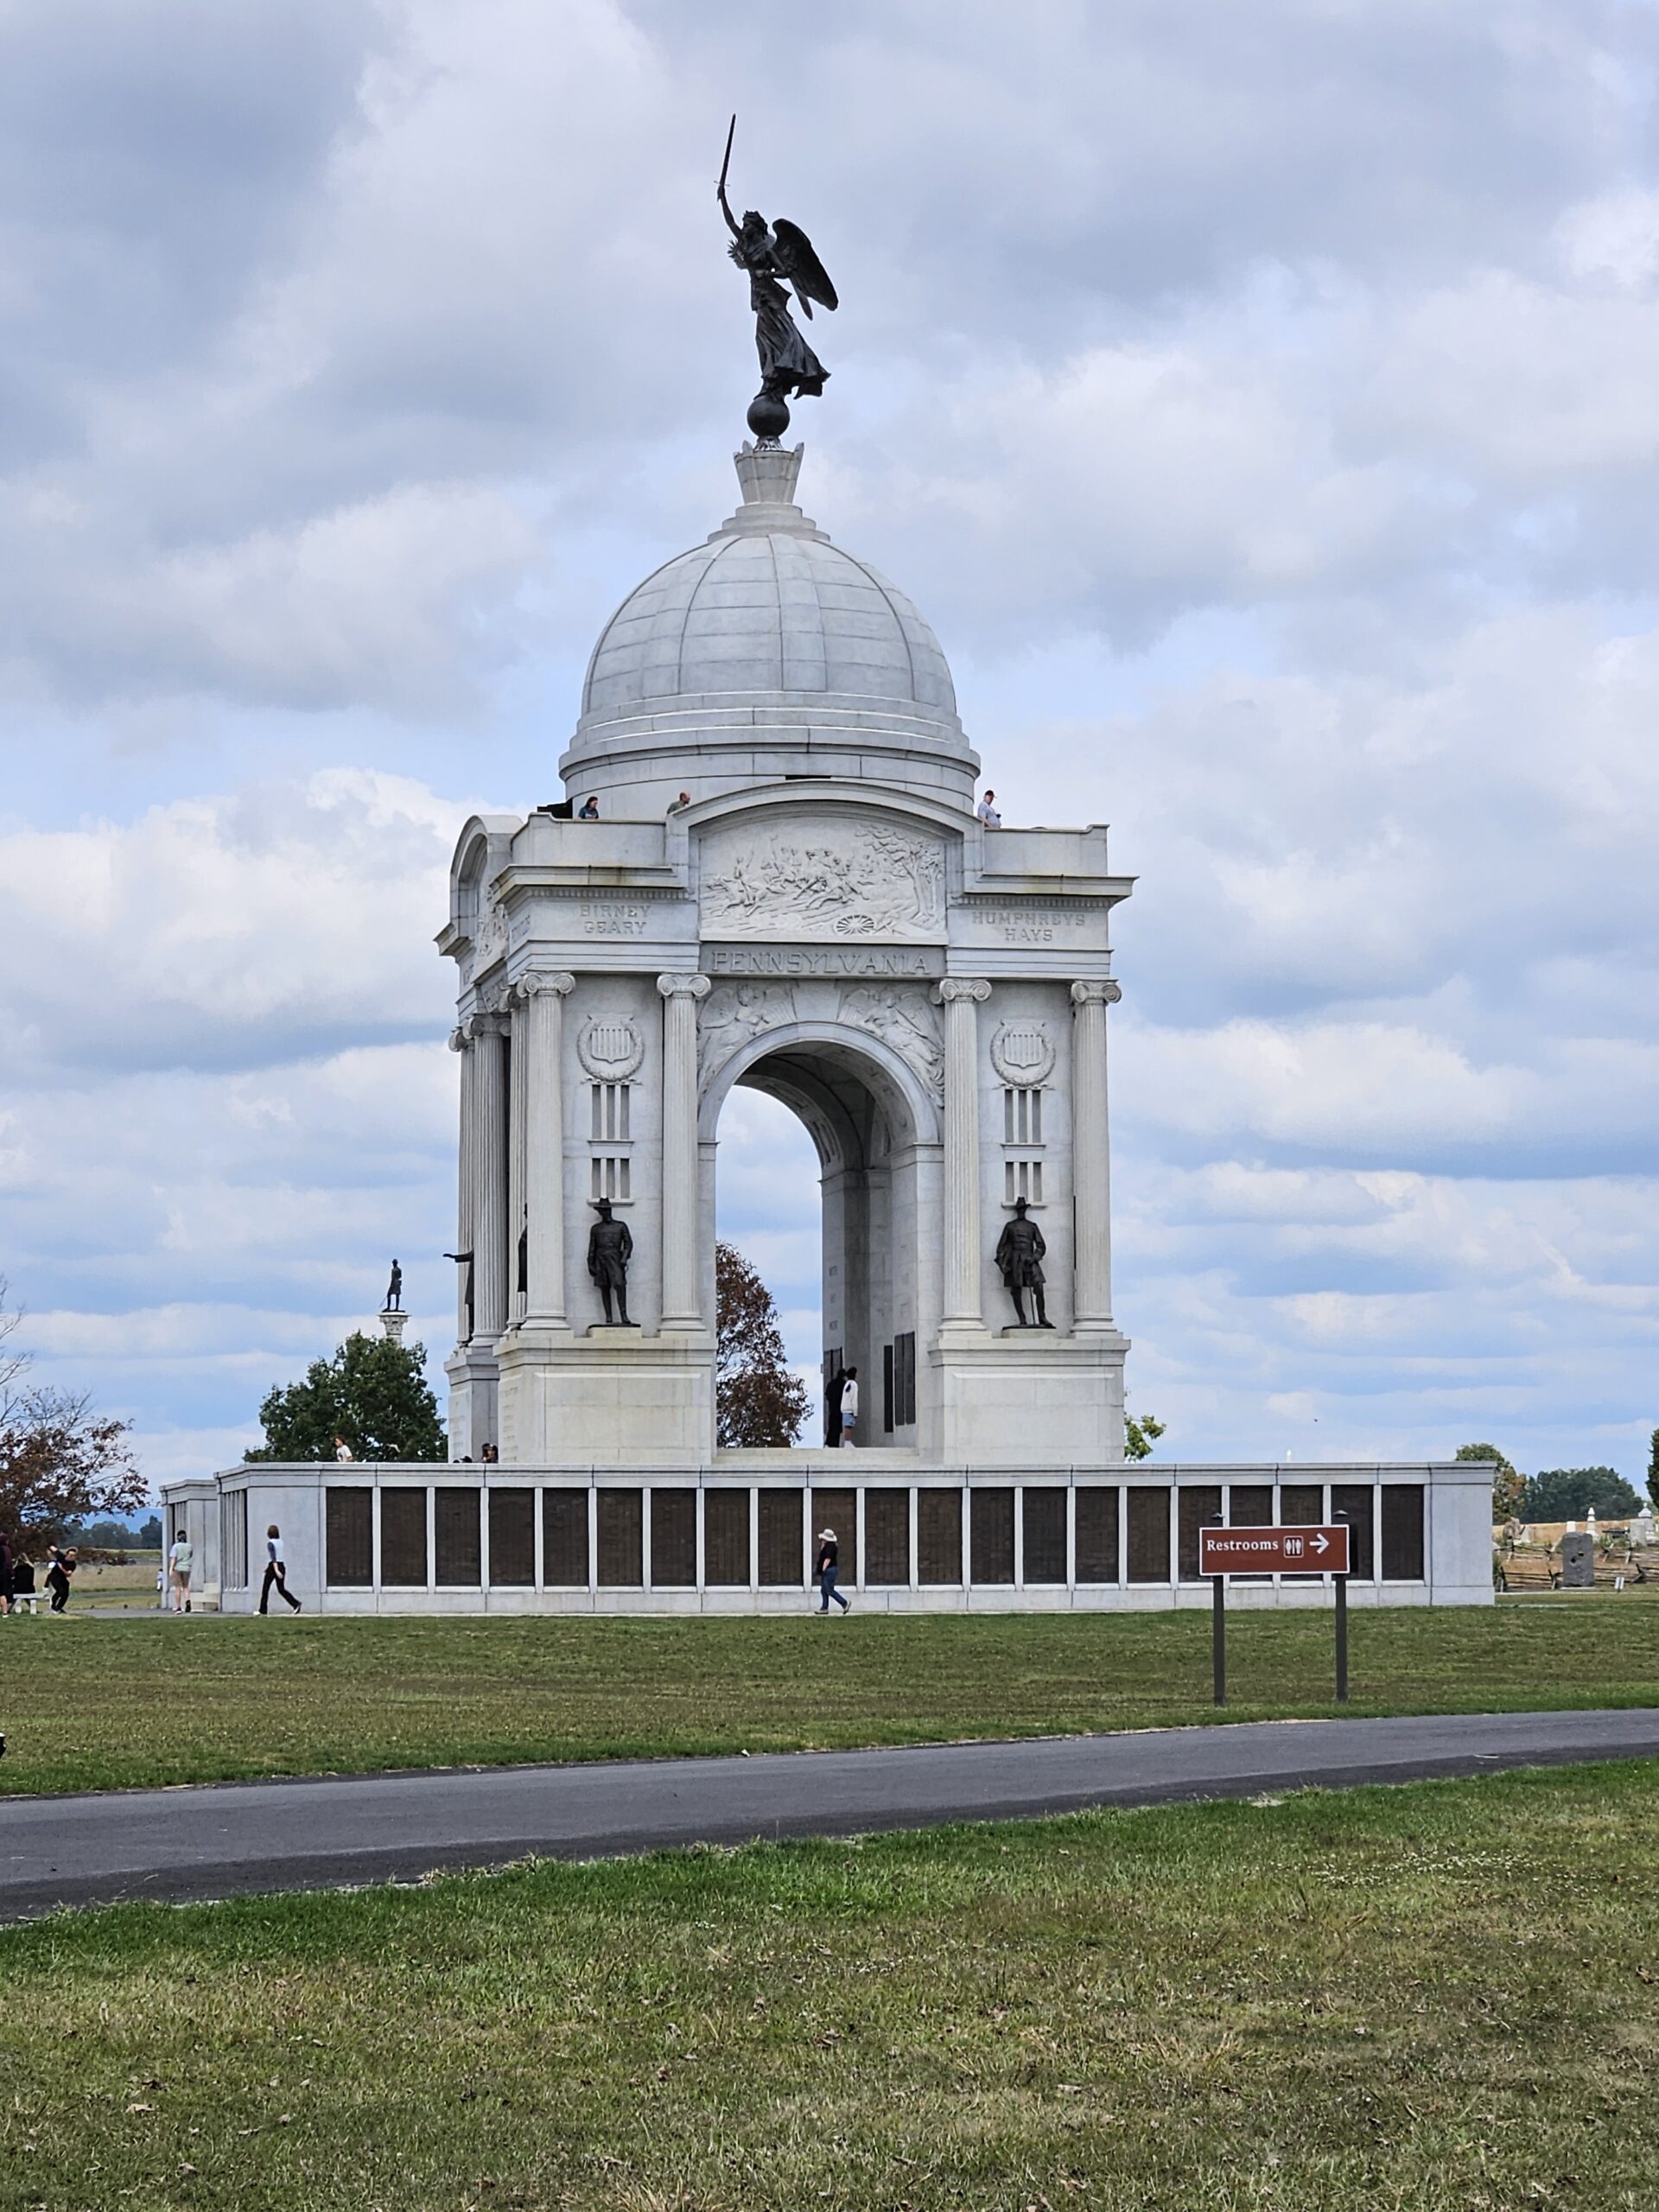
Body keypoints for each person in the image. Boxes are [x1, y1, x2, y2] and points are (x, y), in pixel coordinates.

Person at [259, 1524, 302, 1615]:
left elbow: (273, 1557)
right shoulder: (281, 1542)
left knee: (265, 1588)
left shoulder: (270, 1543)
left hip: (274, 1567)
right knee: (281, 1589)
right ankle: (295, 1603)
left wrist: (275, 1570)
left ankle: (263, 1610)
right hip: (281, 1565)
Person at [815, 1527, 850, 1614]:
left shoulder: (831, 1547)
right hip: (828, 1571)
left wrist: (823, 1569)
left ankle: (844, 1603)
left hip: (829, 1571)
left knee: (829, 1590)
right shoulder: (827, 1546)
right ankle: (824, 1608)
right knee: (824, 1590)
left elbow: (828, 1558)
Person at [168, 1527, 194, 1614]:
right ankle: (188, 1600)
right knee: (186, 1586)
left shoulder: (176, 1546)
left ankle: (178, 1607)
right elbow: (190, 1556)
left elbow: (174, 1558)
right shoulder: (190, 1546)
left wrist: (171, 1569)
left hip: (178, 1568)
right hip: (187, 1568)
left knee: (178, 1587)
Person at [45, 1546, 76, 1614]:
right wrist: (48, 1544)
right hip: (54, 1577)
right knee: (60, 1591)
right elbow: (54, 1549)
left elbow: (68, 1574)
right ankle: (54, 1607)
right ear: (67, 1555)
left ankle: (58, 1607)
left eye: (74, 1556)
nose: (72, 1557)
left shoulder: (72, 1564)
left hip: (63, 1578)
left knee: (64, 1594)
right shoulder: (61, 1557)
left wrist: (61, 1568)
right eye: (71, 1555)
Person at [823, 1363, 847, 1448]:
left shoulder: (832, 1383)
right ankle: (834, 1443)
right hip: (839, 1410)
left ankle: (830, 1442)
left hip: (832, 1409)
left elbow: (827, 1395)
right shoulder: (843, 1384)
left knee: (832, 1426)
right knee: (837, 1428)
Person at [839, 1365, 860, 1447]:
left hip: (844, 1408)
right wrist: (855, 1412)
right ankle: (848, 1442)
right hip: (850, 1408)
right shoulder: (854, 1384)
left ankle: (848, 1441)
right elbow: (854, 1399)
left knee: (847, 1426)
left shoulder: (847, 1383)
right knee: (849, 1426)